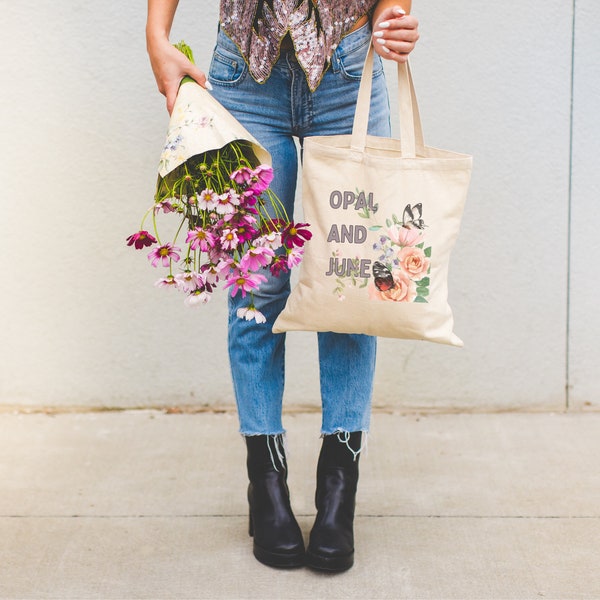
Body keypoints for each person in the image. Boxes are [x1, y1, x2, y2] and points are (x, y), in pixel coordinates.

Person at [146, 0, 419, 572]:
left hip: (350, 68)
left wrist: (395, 12)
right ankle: (264, 484)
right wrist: (157, 34)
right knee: (257, 287)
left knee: (349, 287)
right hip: (245, 72)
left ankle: (337, 488)